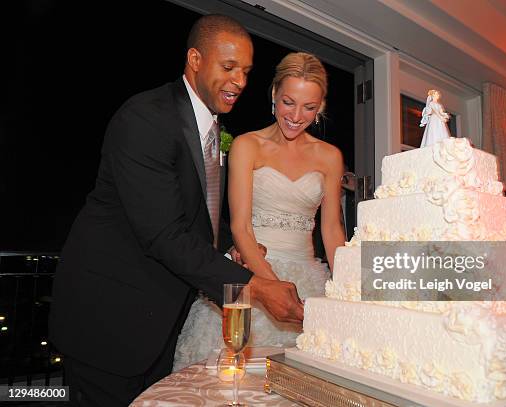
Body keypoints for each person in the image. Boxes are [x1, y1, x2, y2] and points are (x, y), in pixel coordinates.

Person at [49, 15, 304, 406]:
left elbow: (192, 214)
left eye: (247, 71)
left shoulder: (211, 129)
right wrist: (256, 287)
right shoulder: (147, 117)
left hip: (156, 323)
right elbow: (164, 234)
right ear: (195, 59)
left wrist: (223, 250)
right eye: (229, 67)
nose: (240, 81)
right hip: (108, 319)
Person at [173, 52, 346, 370]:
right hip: (251, 271)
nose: (296, 115)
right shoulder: (246, 145)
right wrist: (273, 289)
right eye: (288, 102)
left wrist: (348, 287)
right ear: (273, 96)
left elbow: (332, 230)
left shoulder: (330, 157)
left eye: (309, 107)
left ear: (320, 107)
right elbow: (241, 228)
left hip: (309, 278)